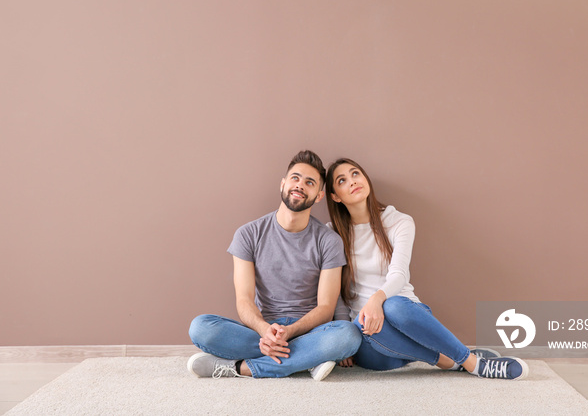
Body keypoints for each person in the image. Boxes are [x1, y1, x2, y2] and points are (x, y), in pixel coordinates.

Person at [326, 157, 529, 380]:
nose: (352, 181)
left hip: (408, 321)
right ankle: (454, 359)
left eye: (355, 174)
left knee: (393, 306)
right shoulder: (332, 235)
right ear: (335, 196)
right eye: (342, 180)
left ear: (365, 178)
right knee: (364, 326)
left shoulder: (399, 221)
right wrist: (343, 331)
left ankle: (471, 364)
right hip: (374, 343)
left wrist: (376, 300)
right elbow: (334, 291)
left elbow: (399, 274)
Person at [187, 150, 362, 380]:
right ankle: (308, 359)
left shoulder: (329, 241)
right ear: (283, 184)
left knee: (349, 336)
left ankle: (241, 368)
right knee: (200, 327)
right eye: (295, 178)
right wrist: (265, 331)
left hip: (310, 331)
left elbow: (326, 307)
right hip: (262, 331)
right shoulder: (248, 234)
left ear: (319, 195)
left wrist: (289, 332)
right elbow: (244, 300)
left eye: (309, 182)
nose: (300, 185)